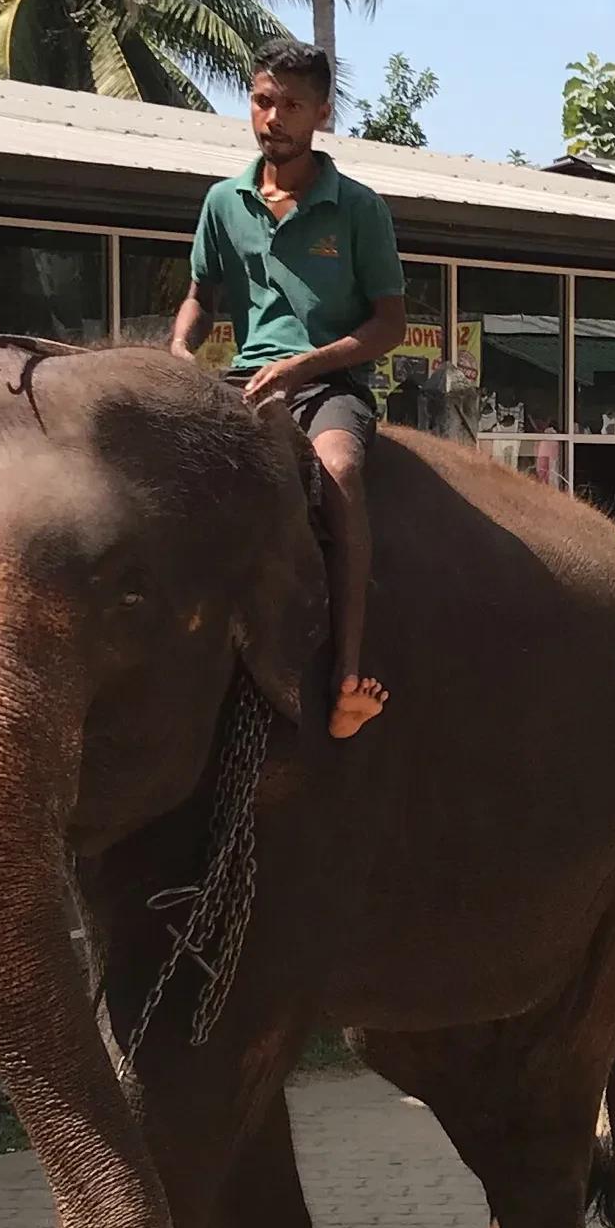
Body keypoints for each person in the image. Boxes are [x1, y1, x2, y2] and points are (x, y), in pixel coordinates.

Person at [172, 40, 408, 738]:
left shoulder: (359, 209)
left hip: (328, 383)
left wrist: (303, 367)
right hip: (244, 384)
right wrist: (180, 348)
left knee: (338, 469)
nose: (274, 118)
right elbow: (201, 297)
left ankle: (348, 676)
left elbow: (389, 325)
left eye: (293, 105)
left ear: (322, 114)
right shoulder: (223, 202)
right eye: (263, 101)